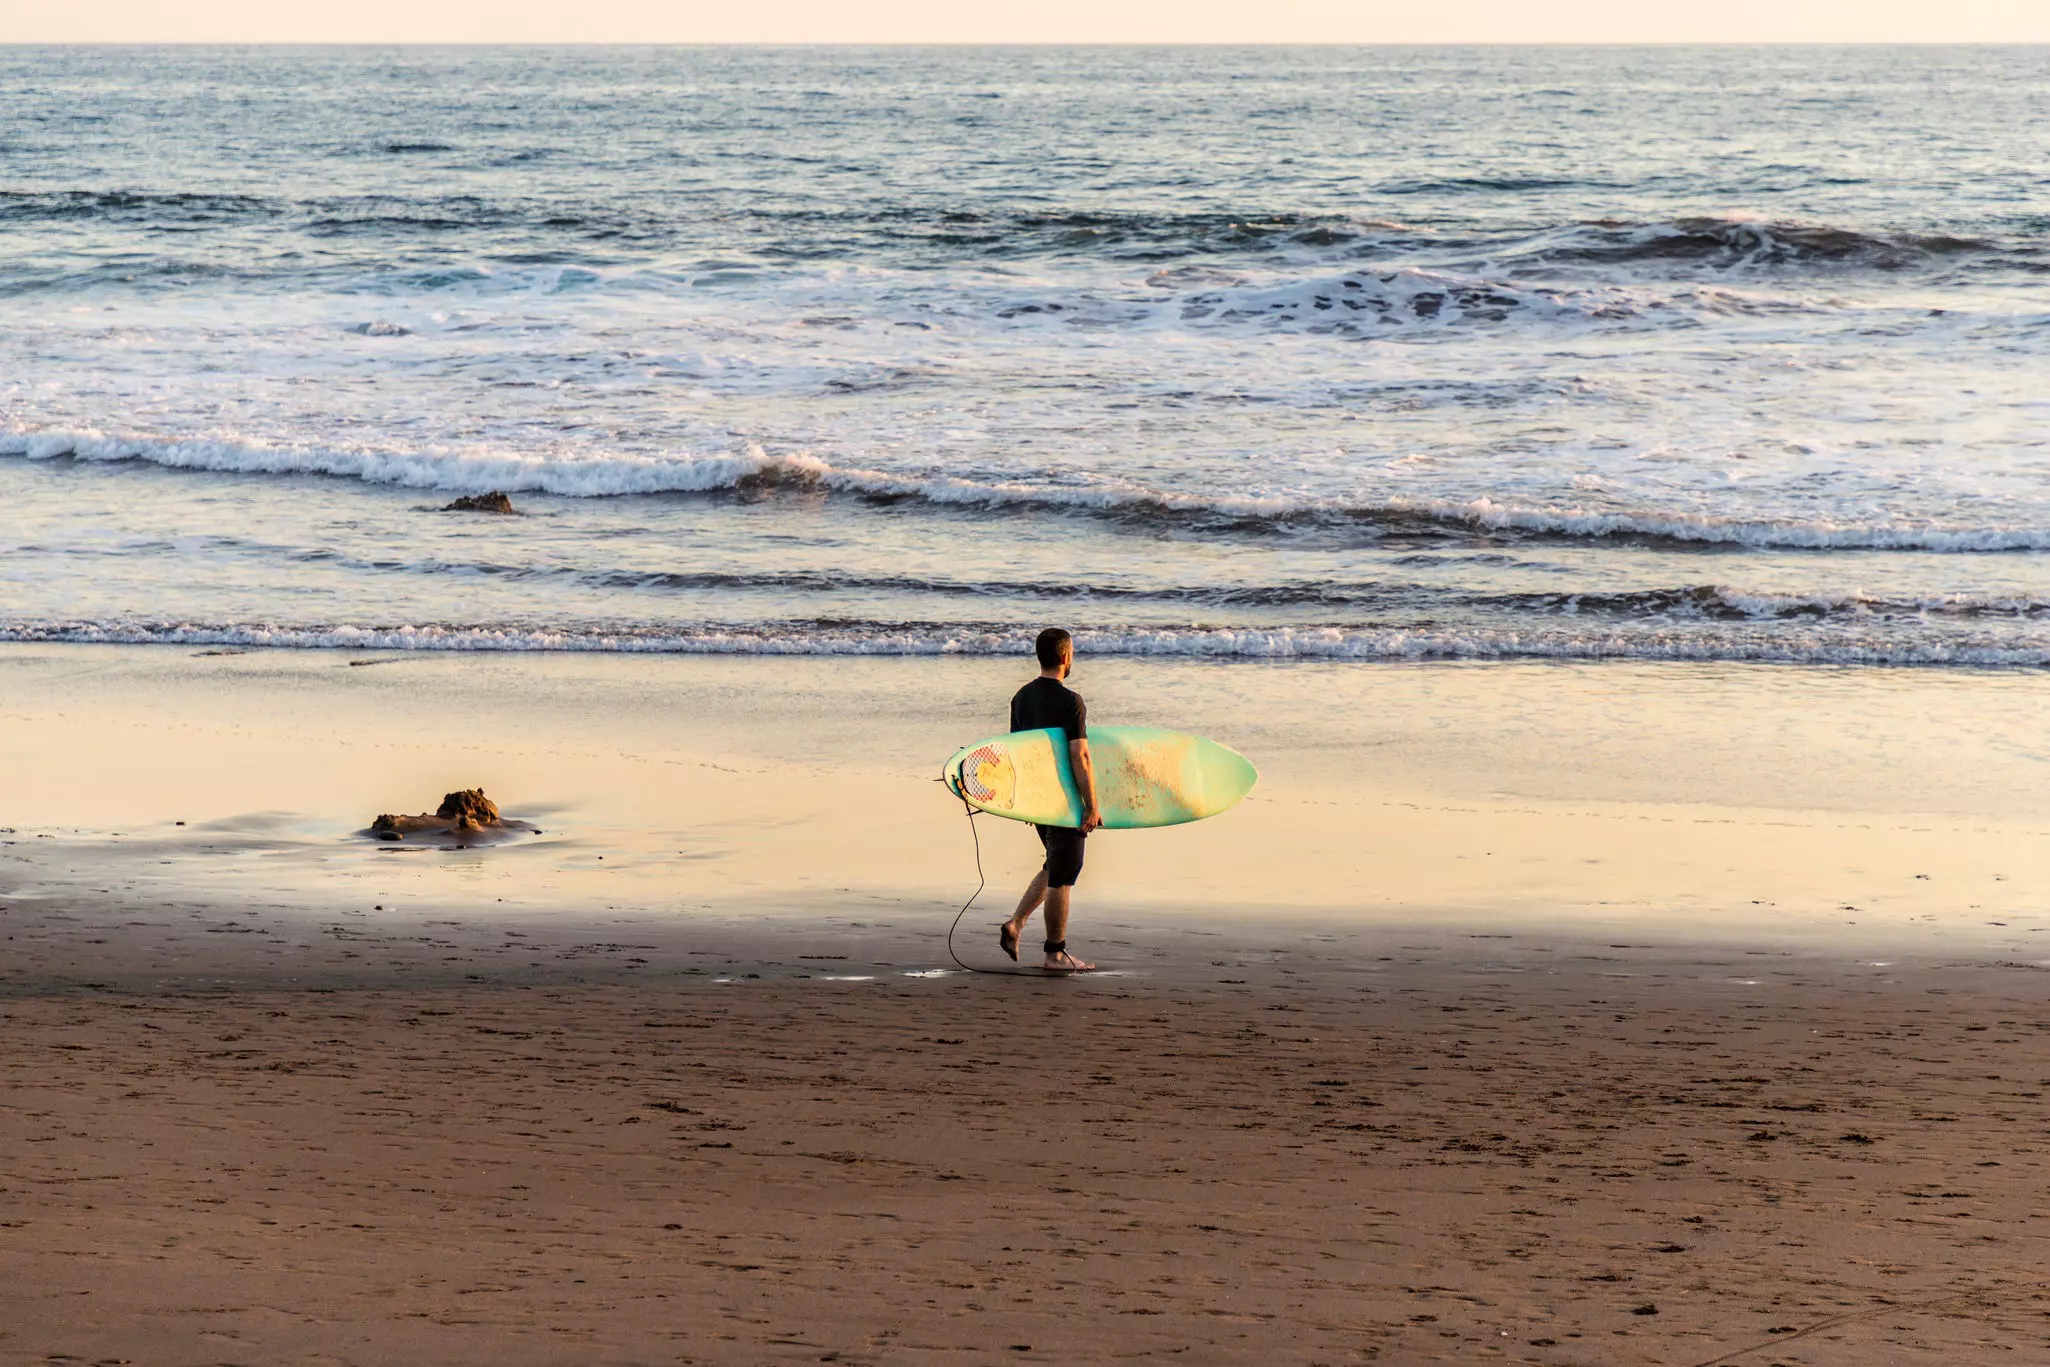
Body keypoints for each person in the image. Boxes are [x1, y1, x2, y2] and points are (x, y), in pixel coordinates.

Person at [999, 628, 1101, 972]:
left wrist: (1025, 800)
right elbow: (1080, 757)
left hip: (1039, 801)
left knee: (1055, 864)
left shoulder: (1021, 698)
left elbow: (1018, 753)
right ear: (1065, 656)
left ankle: (1015, 925)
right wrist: (1092, 804)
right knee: (1064, 874)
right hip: (1064, 801)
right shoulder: (1071, 701)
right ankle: (1055, 953)